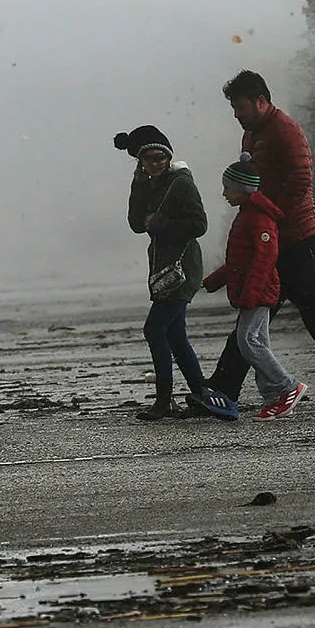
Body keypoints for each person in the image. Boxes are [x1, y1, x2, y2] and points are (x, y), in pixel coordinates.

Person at [197, 71, 315, 416]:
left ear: (261, 101)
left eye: (240, 107)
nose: (236, 114)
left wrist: (270, 221)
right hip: (270, 240)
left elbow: (300, 182)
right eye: (234, 108)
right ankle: (222, 390)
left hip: (297, 242)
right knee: (251, 321)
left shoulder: (286, 130)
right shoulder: (252, 133)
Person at [116, 125, 230, 422]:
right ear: (140, 162)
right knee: (176, 335)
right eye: (149, 159)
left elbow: (199, 224)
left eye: (161, 157)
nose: (156, 163)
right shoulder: (149, 184)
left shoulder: (181, 183)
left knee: (154, 329)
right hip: (162, 268)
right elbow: (136, 224)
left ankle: (164, 400)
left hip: (182, 269)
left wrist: (162, 222)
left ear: (169, 156)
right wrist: (139, 186)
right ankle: (202, 395)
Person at [202, 155, 307, 421]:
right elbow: (240, 260)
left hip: (259, 292)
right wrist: (214, 281)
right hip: (252, 291)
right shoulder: (247, 215)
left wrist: (250, 294)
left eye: (228, 188)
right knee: (257, 341)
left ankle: (287, 387)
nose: (224, 193)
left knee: (248, 340)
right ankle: (274, 397)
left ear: (244, 188)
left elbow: (264, 259)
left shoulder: (259, 218)